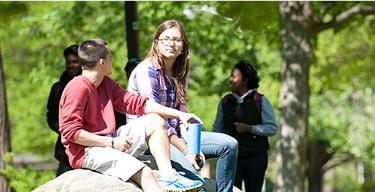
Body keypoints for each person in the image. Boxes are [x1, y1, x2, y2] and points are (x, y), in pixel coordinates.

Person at [59, 39, 203, 192]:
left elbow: (138, 103)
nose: (112, 60)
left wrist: (179, 115)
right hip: (87, 151)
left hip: (109, 140)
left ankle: (168, 177)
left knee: (155, 120)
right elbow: (70, 132)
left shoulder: (105, 83)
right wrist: (111, 142)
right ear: (102, 62)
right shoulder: (77, 87)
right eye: (110, 57)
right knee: (146, 173)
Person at [127, 20, 238, 192]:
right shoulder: (146, 69)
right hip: (152, 140)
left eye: (177, 40)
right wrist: (187, 151)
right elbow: (158, 121)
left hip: (175, 136)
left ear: (183, 46)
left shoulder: (180, 74)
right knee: (196, 183)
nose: (171, 43)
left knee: (229, 145)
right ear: (156, 43)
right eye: (165, 39)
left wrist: (193, 148)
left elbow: (182, 119)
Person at [213, 61, 278, 192]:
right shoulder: (225, 101)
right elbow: (217, 129)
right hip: (231, 159)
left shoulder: (260, 100)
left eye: (234, 76)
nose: (230, 80)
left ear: (245, 80)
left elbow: (272, 128)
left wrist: (250, 128)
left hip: (256, 157)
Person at [46, 44, 82, 177]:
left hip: (91, 146)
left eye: (75, 62)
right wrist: (61, 127)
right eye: (68, 62)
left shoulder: (95, 86)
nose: (71, 65)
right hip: (66, 150)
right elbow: (50, 116)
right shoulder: (58, 88)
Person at [115, 58, 141, 128]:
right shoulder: (119, 96)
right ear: (127, 74)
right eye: (131, 71)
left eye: (138, 71)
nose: (134, 74)